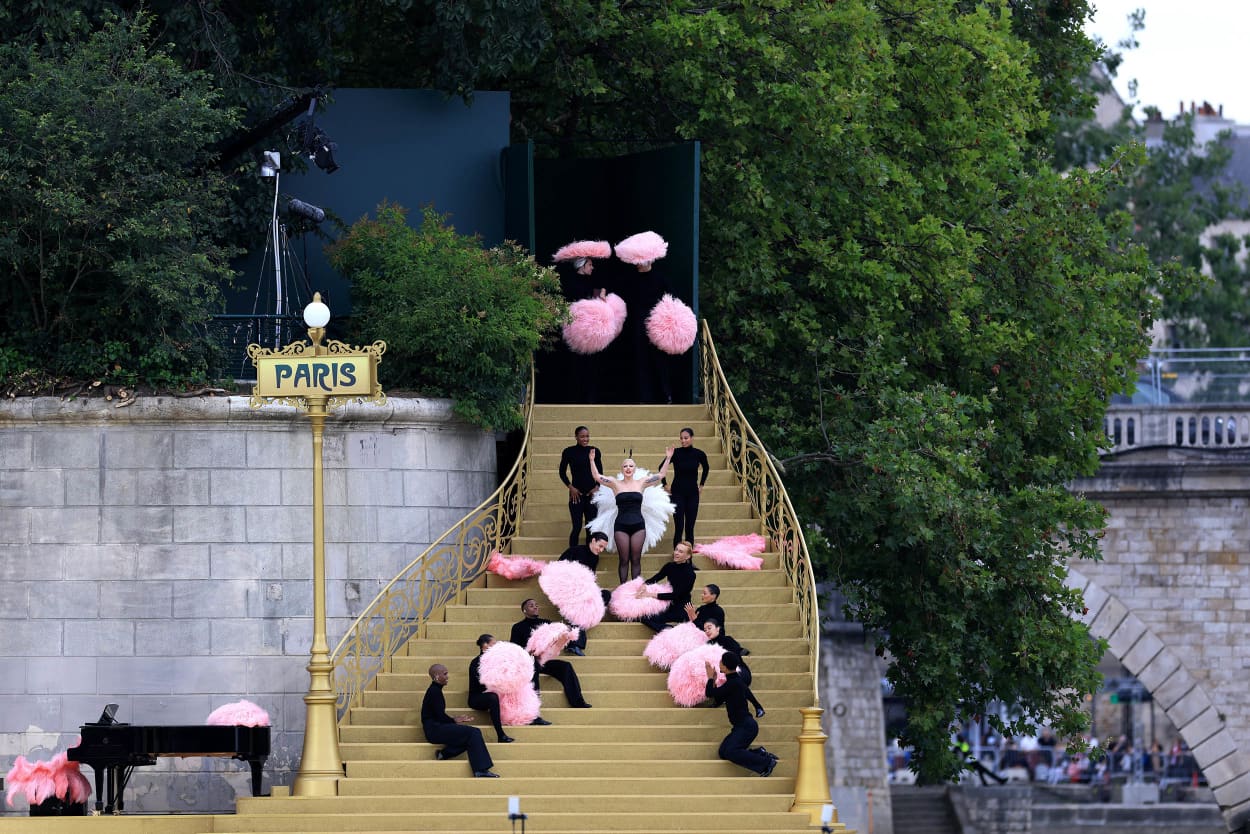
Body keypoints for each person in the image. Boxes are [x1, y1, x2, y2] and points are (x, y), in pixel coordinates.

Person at [589, 451, 673, 582]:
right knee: (623, 559)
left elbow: (661, 475)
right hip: (621, 525)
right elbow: (597, 476)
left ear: (635, 469)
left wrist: (668, 458)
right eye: (625, 466)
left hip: (638, 525)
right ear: (622, 469)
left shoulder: (642, 482)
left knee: (635, 559)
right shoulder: (615, 483)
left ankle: (634, 589)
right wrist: (592, 460)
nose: (628, 468)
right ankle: (623, 589)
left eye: (631, 466)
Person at [704, 651, 776, 777]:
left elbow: (709, 693)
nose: (719, 663)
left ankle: (766, 762)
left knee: (731, 751)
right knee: (723, 752)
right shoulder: (734, 682)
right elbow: (718, 696)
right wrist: (714, 681)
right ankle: (760, 753)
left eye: (721, 662)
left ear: (725, 667)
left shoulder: (733, 683)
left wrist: (710, 677)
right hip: (741, 727)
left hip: (746, 727)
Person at [510, 599, 592, 708]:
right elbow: (514, 647)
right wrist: (528, 652)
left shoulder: (546, 623)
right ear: (524, 610)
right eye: (531, 606)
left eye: (536, 605)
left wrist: (566, 631)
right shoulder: (518, 627)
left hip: (544, 660)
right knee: (533, 666)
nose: (535, 607)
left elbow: (558, 635)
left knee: (566, 667)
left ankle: (578, 702)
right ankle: (533, 708)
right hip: (528, 662)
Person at [421, 664, 499, 777]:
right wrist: (454, 721)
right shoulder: (434, 692)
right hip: (434, 730)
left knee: (470, 736)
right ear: (437, 677)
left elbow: (440, 716)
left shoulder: (435, 690)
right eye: (445, 674)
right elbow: (440, 717)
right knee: (474, 732)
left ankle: (444, 754)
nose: (448, 676)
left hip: (435, 728)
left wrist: (454, 720)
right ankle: (480, 769)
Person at [557, 531, 611, 654]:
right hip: (567, 591)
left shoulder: (595, 558)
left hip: (584, 592)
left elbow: (591, 578)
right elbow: (558, 569)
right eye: (600, 546)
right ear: (592, 541)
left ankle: (575, 640)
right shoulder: (574, 551)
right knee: (579, 607)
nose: (601, 550)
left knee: (606, 595)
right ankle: (575, 643)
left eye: (604, 548)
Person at [702, 619, 764, 717]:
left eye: (709, 628)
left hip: (738, 670)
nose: (707, 631)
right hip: (722, 673)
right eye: (705, 630)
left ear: (718, 629)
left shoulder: (728, 640)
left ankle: (757, 706)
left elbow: (734, 660)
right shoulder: (707, 645)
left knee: (735, 680)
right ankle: (757, 706)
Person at [661, 428, 709, 547]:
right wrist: (665, 484)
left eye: (686, 438)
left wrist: (701, 484)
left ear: (692, 438)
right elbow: (661, 467)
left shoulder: (699, 454)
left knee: (689, 527)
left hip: (693, 494)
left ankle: (688, 557)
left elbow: (706, 468)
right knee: (679, 527)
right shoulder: (676, 453)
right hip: (677, 493)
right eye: (681, 438)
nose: (683, 440)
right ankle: (677, 555)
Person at [637, 541, 697, 632]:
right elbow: (656, 578)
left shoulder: (690, 574)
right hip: (668, 604)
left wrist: (650, 594)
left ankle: (668, 629)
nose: (676, 553)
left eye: (681, 551)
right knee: (643, 616)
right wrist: (644, 584)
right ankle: (666, 628)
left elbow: (675, 595)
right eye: (676, 550)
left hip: (681, 607)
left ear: (688, 556)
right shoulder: (670, 566)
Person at [559, 426, 603, 547]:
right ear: (576, 437)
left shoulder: (594, 451)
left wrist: (597, 487)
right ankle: (572, 555)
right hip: (576, 496)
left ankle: (590, 555)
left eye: (587, 436)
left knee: (590, 528)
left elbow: (600, 472)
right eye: (582, 436)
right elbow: (562, 472)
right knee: (577, 526)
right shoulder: (569, 451)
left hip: (591, 495)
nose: (585, 439)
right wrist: (570, 487)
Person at [467, 635, 515, 744]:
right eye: (494, 644)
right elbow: (482, 683)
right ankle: (500, 735)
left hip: (491, 695)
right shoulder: (476, 662)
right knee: (493, 697)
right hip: (477, 697)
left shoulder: (496, 661)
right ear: (485, 645)